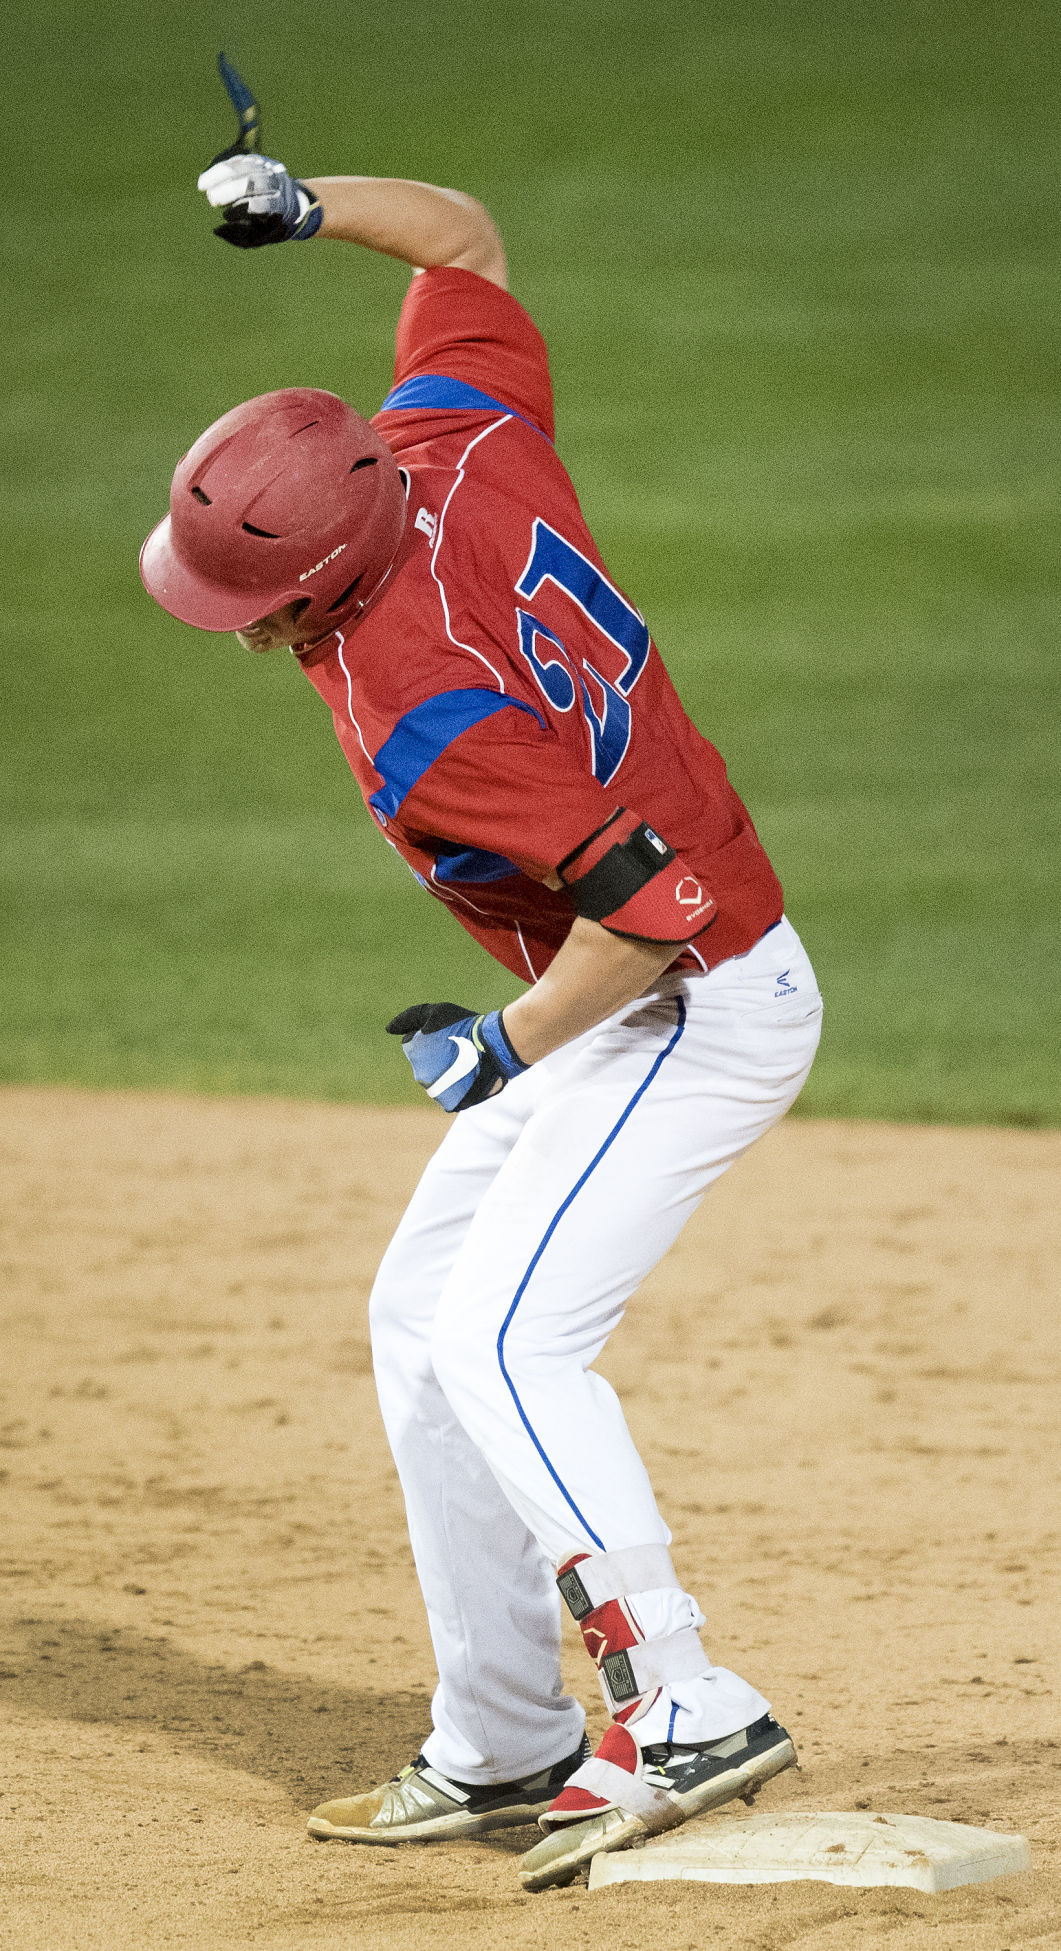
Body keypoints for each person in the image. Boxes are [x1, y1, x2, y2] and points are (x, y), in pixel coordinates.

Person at [140, 151, 824, 1891]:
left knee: (511, 1345)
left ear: (326, 572)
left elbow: (649, 925)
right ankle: (501, 1735)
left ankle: (684, 1702)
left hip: (686, 998)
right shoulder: (447, 440)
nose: (248, 627)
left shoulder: (415, 698)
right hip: (642, 970)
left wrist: (494, 1050)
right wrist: (300, 206)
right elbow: (459, 234)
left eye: (258, 598)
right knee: (421, 1317)